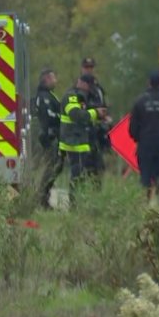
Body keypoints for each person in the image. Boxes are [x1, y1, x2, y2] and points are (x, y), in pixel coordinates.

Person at [59, 74, 108, 205]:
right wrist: (95, 113)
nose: (89, 88)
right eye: (88, 84)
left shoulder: (87, 96)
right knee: (77, 175)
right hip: (74, 143)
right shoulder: (72, 96)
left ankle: (92, 202)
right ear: (81, 82)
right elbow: (76, 115)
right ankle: (74, 204)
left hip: (86, 142)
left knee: (95, 173)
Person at [34, 69, 62, 209]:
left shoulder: (49, 95)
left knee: (56, 167)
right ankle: (41, 198)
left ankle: (43, 197)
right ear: (46, 79)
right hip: (49, 138)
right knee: (51, 168)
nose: (55, 81)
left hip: (54, 136)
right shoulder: (44, 96)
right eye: (53, 78)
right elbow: (48, 116)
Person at [81, 57, 113, 155]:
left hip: (101, 126)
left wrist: (107, 115)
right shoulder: (80, 87)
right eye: (86, 68)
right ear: (82, 69)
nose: (89, 70)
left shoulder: (98, 87)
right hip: (87, 127)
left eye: (91, 68)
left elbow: (104, 103)